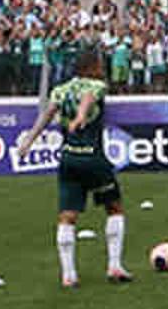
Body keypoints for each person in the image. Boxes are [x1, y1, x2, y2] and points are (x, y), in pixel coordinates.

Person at [14, 56, 130, 287]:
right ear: (90, 67)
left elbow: (46, 115)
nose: (102, 70)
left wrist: (28, 141)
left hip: (68, 158)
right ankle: (114, 266)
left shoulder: (60, 90)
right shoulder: (96, 85)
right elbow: (88, 97)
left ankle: (68, 275)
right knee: (114, 207)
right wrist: (81, 115)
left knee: (67, 216)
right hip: (93, 158)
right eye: (99, 65)